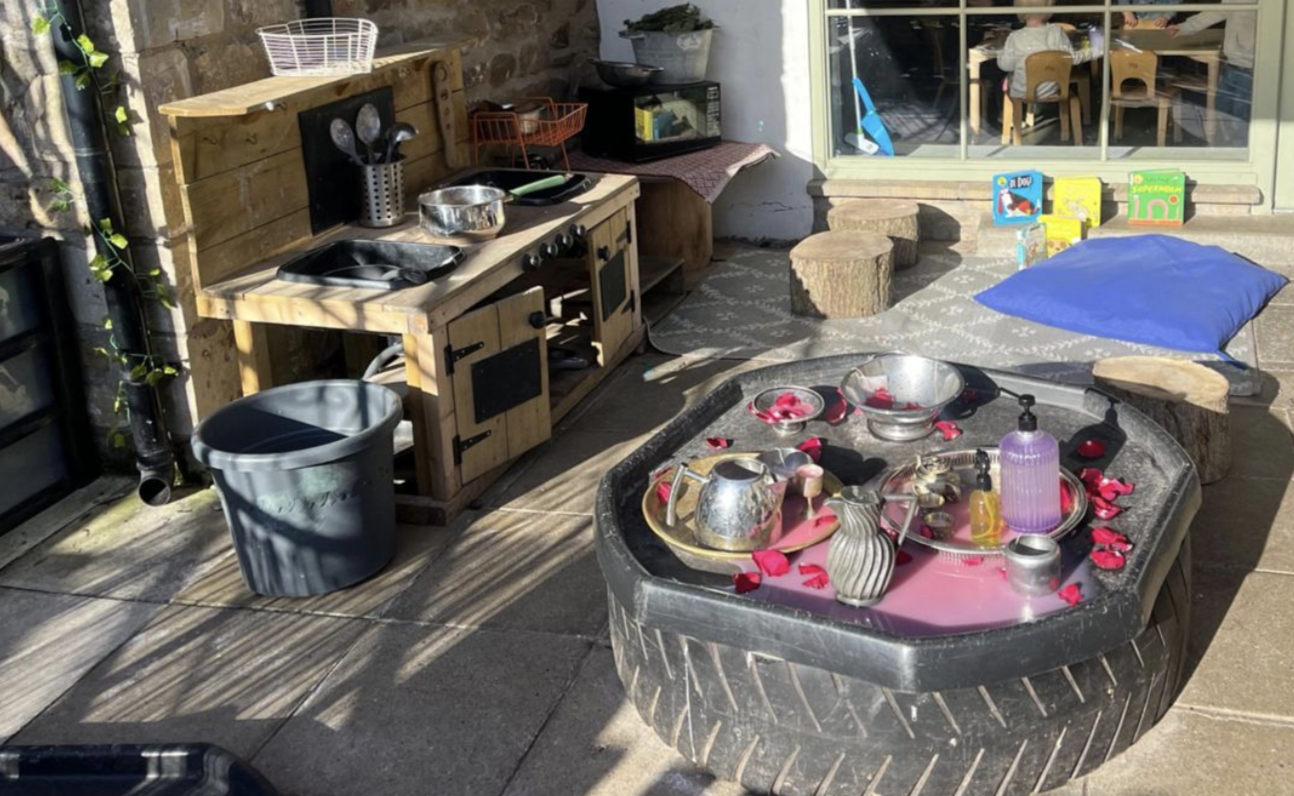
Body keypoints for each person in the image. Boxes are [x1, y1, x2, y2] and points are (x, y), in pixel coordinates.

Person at [1168, 0, 1256, 146]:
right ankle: (1229, 147)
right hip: (1232, 63)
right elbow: (1213, 13)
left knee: (1241, 114)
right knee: (1223, 108)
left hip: (1251, 65)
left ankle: (1240, 150)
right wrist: (1182, 28)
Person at [997, 0, 1077, 100]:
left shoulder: (1015, 37)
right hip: (1051, 92)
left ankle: (1007, 113)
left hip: (1021, 93)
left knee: (1004, 80)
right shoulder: (1057, 32)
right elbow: (1069, 58)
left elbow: (1005, 66)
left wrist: (1000, 53)